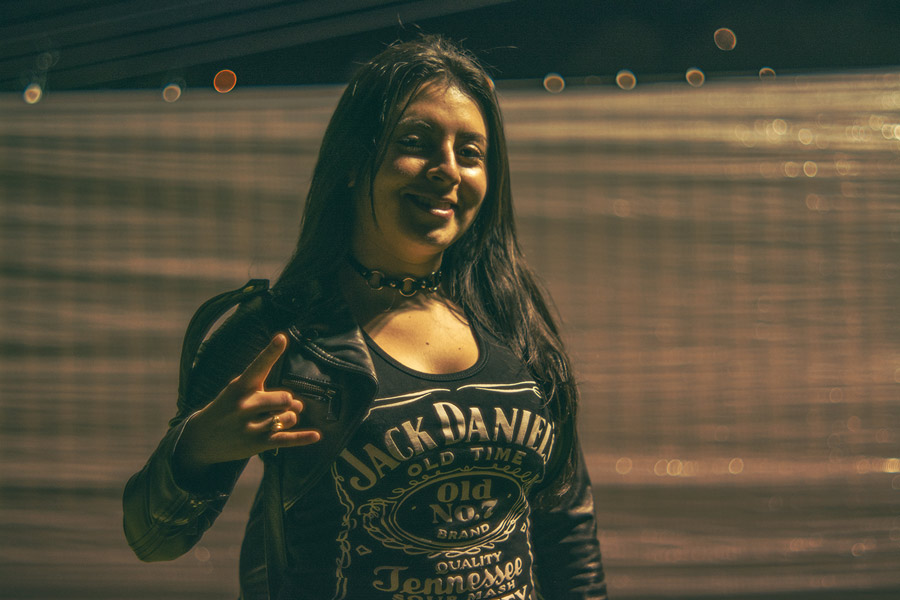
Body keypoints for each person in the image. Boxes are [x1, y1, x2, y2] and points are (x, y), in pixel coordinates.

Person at [123, 35, 607, 600]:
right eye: (416, 143)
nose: (448, 170)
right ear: (353, 161)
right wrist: (198, 448)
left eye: (471, 153)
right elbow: (152, 538)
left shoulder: (512, 319)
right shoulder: (278, 335)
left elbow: (566, 531)